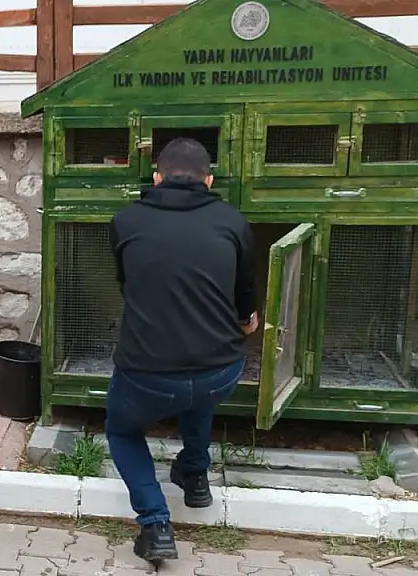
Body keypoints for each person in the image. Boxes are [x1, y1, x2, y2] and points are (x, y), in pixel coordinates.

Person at [106, 137, 258, 562]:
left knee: (122, 430)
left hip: (146, 374)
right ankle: (195, 475)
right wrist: (245, 320)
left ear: (157, 177)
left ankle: (155, 523)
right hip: (220, 372)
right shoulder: (233, 221)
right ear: (208, 181)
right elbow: (245, 296)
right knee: (199, 389)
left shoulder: (125, 221)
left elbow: (127, 284)